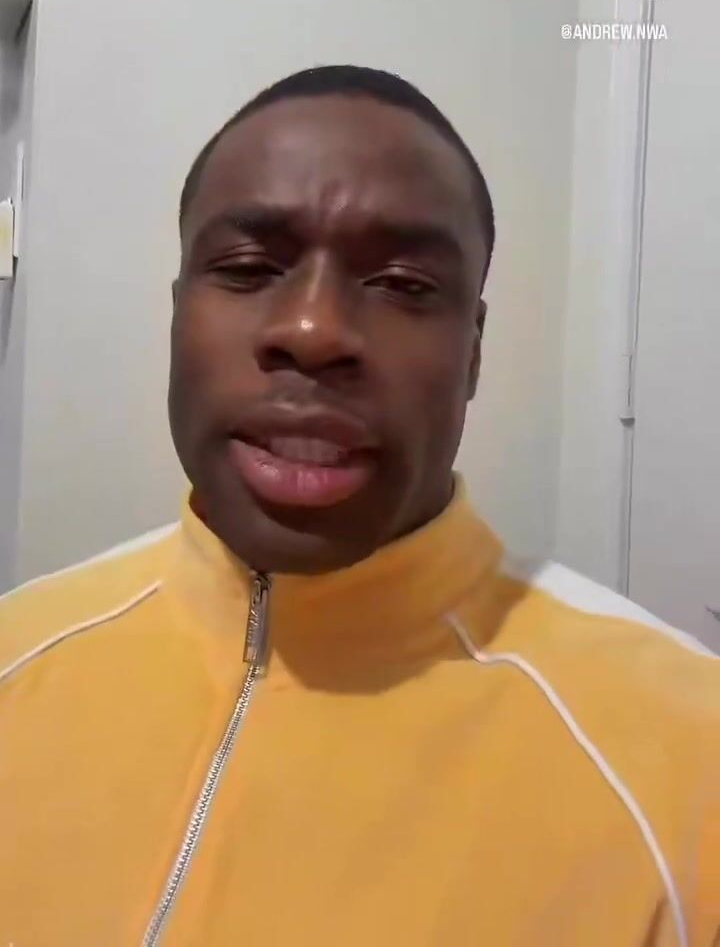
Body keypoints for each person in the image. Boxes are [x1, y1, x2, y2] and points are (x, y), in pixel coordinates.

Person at [1, 65, 718, 947]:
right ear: (178, 316)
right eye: (248, 267)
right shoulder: (16, 656)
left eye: (404, 284)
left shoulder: (688, 762)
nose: (313, 332)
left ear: (474, 353)